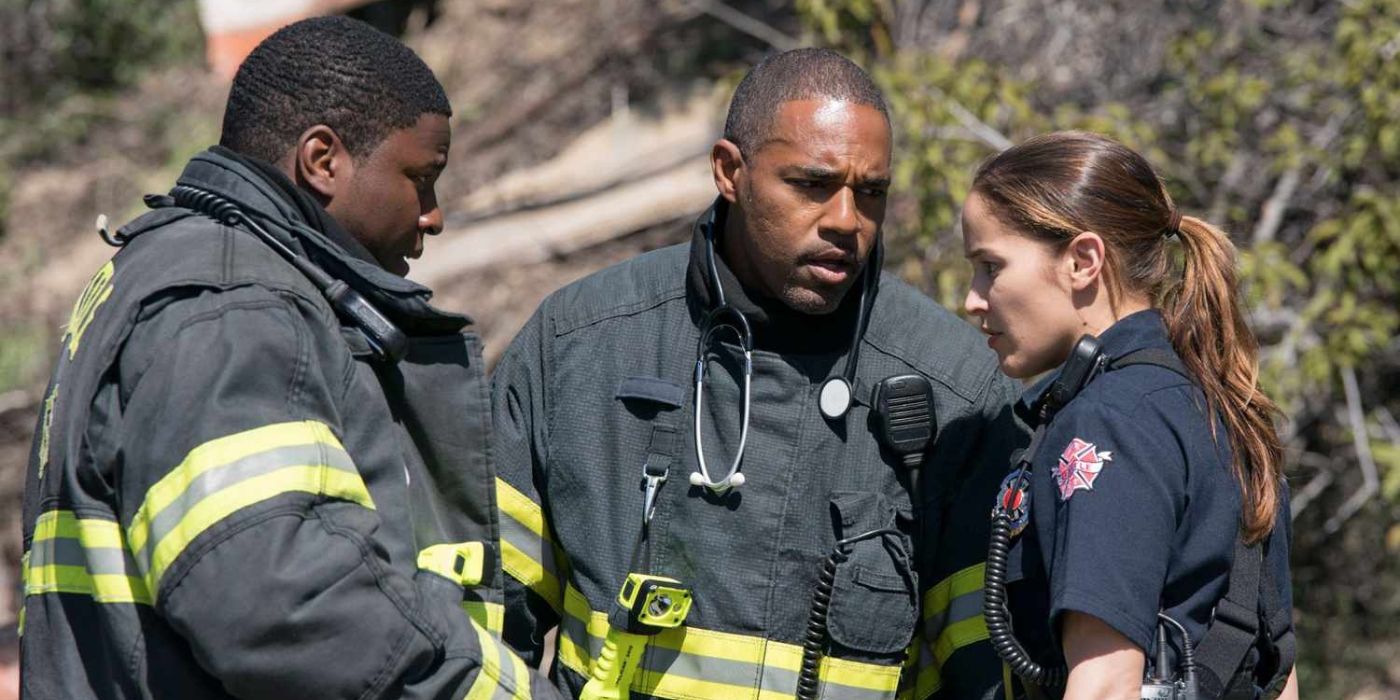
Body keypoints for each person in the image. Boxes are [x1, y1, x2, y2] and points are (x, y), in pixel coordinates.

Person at [18, 16, 560, 700]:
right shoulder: (231, 305)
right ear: (322, 160)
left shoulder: (165, 269)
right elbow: (281, 605)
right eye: (420, 178)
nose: (433, 214)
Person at [491, 48, 1024, 700]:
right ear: (729, 172)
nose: (846, 221)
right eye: (810, 184)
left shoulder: (956, 388)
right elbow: (486, 628)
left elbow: (992, 676)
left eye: (872, 193)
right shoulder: (581, 345)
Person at [959, 131, 1299, 699]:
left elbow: (1106, 685)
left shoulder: (1109, 420)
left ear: (1082, 261)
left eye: (990, 267)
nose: (972, 298)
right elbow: (1280, 673)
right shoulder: (1225, 409)